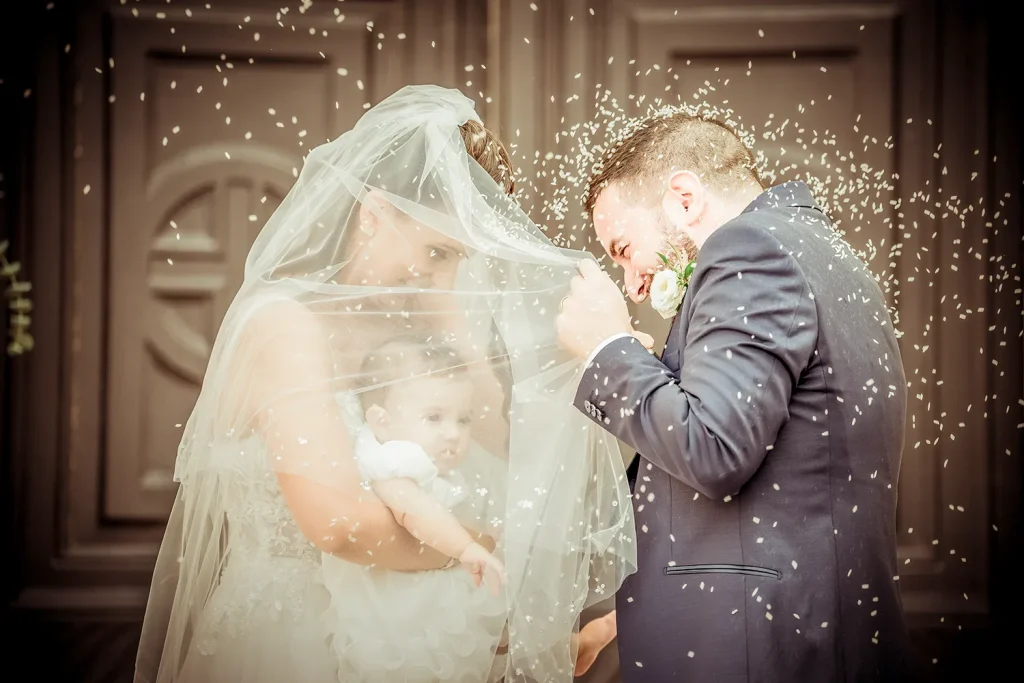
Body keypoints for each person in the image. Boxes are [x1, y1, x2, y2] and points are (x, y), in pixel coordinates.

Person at [134, 85, 636, 683]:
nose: (442, 275)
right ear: (374, 214)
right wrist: (488, 546)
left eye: (457, 258)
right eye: (434, 250)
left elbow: (500, 449)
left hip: (400, 643)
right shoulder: (283, 326)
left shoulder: (419, 328)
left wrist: (451, 320)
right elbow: (337, 523)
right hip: (289, 643)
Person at [557, 109, 916, 681]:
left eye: (623, 249)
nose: (632, 284)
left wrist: (607, 346)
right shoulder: (818, 250)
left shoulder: (749, 250)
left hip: (758, 653)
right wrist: (615, 624)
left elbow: (714, 449)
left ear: (684, 198)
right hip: (799, 633)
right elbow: (789, 485)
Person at [319, 335, 508, 683]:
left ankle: (563, 647)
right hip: (398, 617)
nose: (453, 433)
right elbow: (414, 509)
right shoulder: (392, 459)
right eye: (434, 417)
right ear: (383, 423)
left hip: (424, 597)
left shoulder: (426, 462)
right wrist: (466, 547)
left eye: (463, 419)